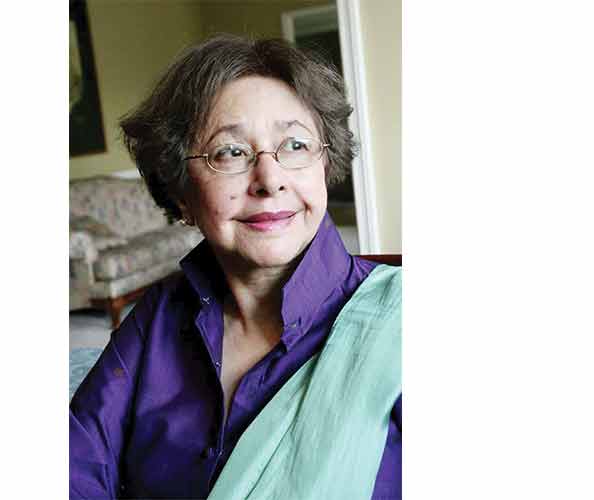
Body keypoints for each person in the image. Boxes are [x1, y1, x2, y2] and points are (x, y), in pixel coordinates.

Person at [70, 34, 401, 499]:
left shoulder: (399, 325)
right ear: (182, 194)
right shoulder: (157, 318)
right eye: (230, 152)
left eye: (295, 145)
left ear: (326, 167)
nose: (270, 180)